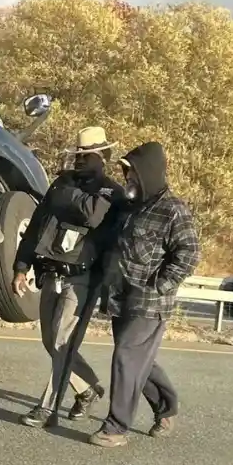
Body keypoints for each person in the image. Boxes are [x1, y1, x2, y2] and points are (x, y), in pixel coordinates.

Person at [90, 141, 201, 448]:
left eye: (132, 174)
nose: (128, 179)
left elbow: (189, 253)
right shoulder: (129, 207)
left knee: (127, 356)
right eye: (126, 173)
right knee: (139, 361)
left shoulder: (173, 210)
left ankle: (116, 427)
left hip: (150, 303)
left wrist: (159, 285)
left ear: (147, 173)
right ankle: (167, 408)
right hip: (120, 298)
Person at [12, 126, 122, 428]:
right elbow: (37, 225)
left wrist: (65, 195)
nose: (81, 160)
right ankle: (87, 389)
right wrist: (21, 266)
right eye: (79, 155)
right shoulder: (62, 183)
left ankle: (47, 409)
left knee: (62, 341)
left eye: (89, 155)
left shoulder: (111, 191)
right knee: (51, 342)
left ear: (104, 156)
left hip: (82, 278)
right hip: (51, 273)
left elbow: (93, 214)